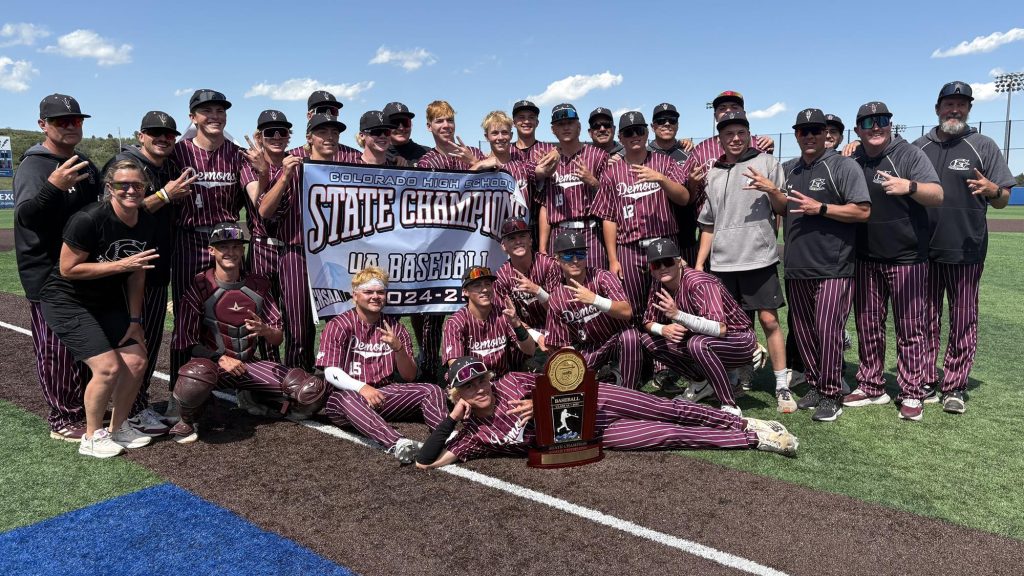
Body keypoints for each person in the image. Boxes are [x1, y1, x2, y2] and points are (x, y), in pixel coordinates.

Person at [413, 356, 798, 468]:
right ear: (457, 393)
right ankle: (751, 438)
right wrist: (452, 419)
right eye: (468, 386)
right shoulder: (474, 436)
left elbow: (567, 378)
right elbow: (425, 461)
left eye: (481, 380)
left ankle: (740, 419)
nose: (479, 388)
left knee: (666, 410)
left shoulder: (512, 382)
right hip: (594, 435)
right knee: (666, 436)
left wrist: (544, 400)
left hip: (599, 402)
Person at [169, 221, 328, 443]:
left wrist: (265, 330)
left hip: (248, 365)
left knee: (311, 389)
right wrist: (220, 358)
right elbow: (185, 341)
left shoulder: (258, 285)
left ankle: (267, 400)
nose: (230, 252)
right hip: (214, 366)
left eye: (235, 246)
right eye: (223, 247)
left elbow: (278, 336)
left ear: (243, 250)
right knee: (194, 378)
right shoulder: (200, 286)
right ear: (211, 250)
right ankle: (187, 419)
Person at [40, 159, 158, 457]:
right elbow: (68, 269)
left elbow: (137, 271)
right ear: (110, 188)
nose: (131, 190)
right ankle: (92, 437)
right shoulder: (89, 219)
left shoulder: (145, 220)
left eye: (137, 185)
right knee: (107, 368)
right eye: (123, 185)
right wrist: (120, 264)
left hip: (106, 301)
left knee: (136, 361)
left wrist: (134, 318)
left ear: (146, 188)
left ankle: (119, 428)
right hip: (67, 301)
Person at [912, 81, 1016, 414]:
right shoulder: (918, 147)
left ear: (969, 109)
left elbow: (1003, 201)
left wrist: (991, 190)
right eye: (949, 104)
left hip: (966, 248)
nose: (955, 110)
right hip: (923, 249)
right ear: (937, 108)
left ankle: (955, 385)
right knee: (924, 319)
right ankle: (927, 379)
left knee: (963, 319)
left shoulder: (983, 145)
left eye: (962, 105)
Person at [842, 102, 943, 421]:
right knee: (868, 324)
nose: (876, 126)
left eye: (882, 120)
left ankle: (912, 390)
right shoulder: (854, 157)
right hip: (866, 257)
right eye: (868, 122)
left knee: (910, 327)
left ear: (890, 124)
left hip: (907, 258)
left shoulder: (909, 154)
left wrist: (909, 187)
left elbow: (938, 194)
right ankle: (871, 385)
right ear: (857, 129)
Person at [14, 93, 101, 441]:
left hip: (81, 268)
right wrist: (53, 188)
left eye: (76, 120)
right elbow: (25, 216)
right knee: (56, 348)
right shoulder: (34, 165)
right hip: (48, 272)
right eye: (60, 121)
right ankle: (63, 417)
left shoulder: (85, 163)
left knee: (84, 342)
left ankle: (81, 405)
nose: (70, 125)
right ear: (43, 125)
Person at [694, 110, 793, 413]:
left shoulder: (766, 163)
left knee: (768, 321)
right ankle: (734, 378)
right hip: (723, 263)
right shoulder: (713, 171)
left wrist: (771, 189)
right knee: (731, 329)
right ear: (720, 138)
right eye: (728, 134)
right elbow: (708, 224)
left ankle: (781, 385)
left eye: (740, 133)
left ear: (748, 134)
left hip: (758, 258)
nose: (735, 139)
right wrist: (700, 263)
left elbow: (784, 208)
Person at [106, 111, 197, 435]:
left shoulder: (166, 167)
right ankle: (126, 411)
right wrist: (164, 195)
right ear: (141, 134)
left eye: (169, 135)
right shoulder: (127, 163)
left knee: (148, 339)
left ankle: (134, 405)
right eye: (154, 133)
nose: (162, 138)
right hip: (127, 269)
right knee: (132, 342)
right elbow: (118, 210)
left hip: (155, 267)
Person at [782, 109, 871, 422]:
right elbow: (780, 204)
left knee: (828, 330)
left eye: (815, 131)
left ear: (826, 134)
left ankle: (832, 393)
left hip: (833, 266)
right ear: (796, 134)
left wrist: (820, 208)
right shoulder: (789, 170)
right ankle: (817, 385)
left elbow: (861, 211)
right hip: (797, 266)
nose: (809, 136)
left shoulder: (843, 166)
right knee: (804, 332)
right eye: (803, 131)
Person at [168, 89, 254, 400]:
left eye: (220, 110)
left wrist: (262, 170)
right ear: (193, 117)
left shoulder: (237, 153)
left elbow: (255, 196)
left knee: (233, 312)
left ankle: (243, 388)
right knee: (186, 319)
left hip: (228, 240)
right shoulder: (178, 153)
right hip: (190, 239)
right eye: (207, 111)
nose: (215, 116)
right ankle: (179, 397)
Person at [318, 267, 447, 464]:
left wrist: (399, 349)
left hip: (382, 395)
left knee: (432, 390)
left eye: (380, 292)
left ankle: (447, 436)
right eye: (368, 292)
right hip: (345, 399)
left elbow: (409, 376)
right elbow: (330, 372)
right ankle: (397, 443)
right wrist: (362, 388)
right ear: (355, 296)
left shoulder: (395, 327)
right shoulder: (338, 324)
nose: (375, 297)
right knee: (346, 399)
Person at [640, 238, 757, 416]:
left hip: (739, 340)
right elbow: (647, 322)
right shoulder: (658, 284)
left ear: (679, 262)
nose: (663, 267)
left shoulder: (699, 282)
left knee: (697, 343)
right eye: (657, 264)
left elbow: (720, 329)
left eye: (668, 261)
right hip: (703, 340)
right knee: (648, 340)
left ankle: (729, 403)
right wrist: (663, 329)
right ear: (651, 268)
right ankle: (700, 382)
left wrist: (678, 315)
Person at [593, 111, 688, 319]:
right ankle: (636, 350)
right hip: (629, 248)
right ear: (621, 138)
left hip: (665, 243)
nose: (634, 135)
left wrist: (662, 179)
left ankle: (669, 350)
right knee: (632, 307)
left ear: (647, 133)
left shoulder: (664, 163)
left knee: (671, 305)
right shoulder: (612, 172)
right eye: (628, 132)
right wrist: (613, 259)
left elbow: (684, 198)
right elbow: (608, 217)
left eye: (639, 130)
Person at [680, 90, 775, 265]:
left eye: (734, 107)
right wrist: (692, 184)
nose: (728, 111)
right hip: (712, 230)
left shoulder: (759, 145)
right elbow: (688, 197)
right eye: (722, 108)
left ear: (744, 114)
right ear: (715, 115)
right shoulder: (701, 150)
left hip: (752, 231)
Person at [544, 232, 641, 389]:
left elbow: (626, 311)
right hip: (589, 348)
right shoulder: (556, 297)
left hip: (616, 339)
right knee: (566, 376)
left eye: (580, 254)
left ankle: (629, 391)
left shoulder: (602, 277)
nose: (575, 260)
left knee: (631, 336)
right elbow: (558, 343)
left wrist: (595, 299)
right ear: (557, 258)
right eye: (568, 256)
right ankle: (608, 376)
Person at [535, 103, 609, 270]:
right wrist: (542, 248)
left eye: (570, 123)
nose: (566, 127)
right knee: (561, 289)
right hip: (558, 232)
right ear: (553, 129)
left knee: (595, 284)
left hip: (591, 232)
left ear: (579, 126)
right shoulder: (547, 160)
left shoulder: (598, 156)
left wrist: (593, 182)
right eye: (560, 124)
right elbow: (545, 206)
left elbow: (612, 203)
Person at [442, 265, 537, 375]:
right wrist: (484, 385)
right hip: (470, 383)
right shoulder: (455, 323)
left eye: (487, 284)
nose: (485, 289)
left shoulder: (503, 314)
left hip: (503, 380)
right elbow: (456, 368)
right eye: (477, 285)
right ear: (465, 292)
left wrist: (516, 322)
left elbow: (530, 350)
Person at [492, 217, 561, 346]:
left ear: (530, 240)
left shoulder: (549, 265)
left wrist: (537, 291)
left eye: (522, 236)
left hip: (556, 327)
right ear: (503, 246)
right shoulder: (501, 277)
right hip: (525, 334)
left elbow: (559, 310)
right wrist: (536, 336)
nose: (518, 241)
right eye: (511, 238)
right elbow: (508, 318)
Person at [471, 111, 537, 219]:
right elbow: (461, 186)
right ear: (486, 137)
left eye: (505, 132)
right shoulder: (480, 165)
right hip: (489, 233)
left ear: (511, 135)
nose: (500, 137)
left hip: (520, 232)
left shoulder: (523, 165)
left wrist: (556, 153)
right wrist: (480, 165)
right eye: (495, 133)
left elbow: (544, 171)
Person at [416, 100, 486, 170]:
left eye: (450, 120)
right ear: (429, 127)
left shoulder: (475, 153)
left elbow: (490, 178)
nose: (446, 125)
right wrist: (476, 166)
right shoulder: (427, 162)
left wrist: (475, 161)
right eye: (439, 121)